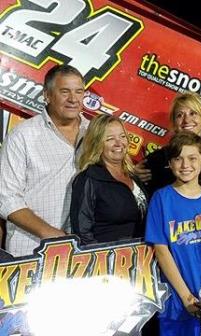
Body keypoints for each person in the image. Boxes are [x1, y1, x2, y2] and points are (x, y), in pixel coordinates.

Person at [0, 64, 89, 257]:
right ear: (47, 95)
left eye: (79, 92)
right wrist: (52, 235)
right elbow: (6, 198)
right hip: (30, 250)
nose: (73, 99)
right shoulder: (22, 135)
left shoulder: (95, 133)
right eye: (64, 92)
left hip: (83, 253)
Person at [145, 131, 201, 336]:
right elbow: (162, 252)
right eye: (178, 159)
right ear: (170, 164)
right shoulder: (161, 199)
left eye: (192, 158)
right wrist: (186, 297)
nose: (185, 165)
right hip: (177, 303)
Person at [70, 114, 148, 245]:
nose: (119, 143)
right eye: (110, 139)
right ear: (97, 144)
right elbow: (82, 233)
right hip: (109, 261)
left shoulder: (133, 176)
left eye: (122, 136)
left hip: (141, 259)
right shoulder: (89, 179)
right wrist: (103, 261)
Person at [136, 91, 201, 197]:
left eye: (193, 113)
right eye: (180, 115)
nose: (186, 120)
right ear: (173, 124)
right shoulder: (158, 159)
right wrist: (133, 177)